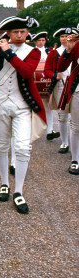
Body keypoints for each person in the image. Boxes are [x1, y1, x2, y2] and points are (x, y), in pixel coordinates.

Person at [0, 16, 46, 214]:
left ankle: (19, 191)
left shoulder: (32, 52)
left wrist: (8, 52)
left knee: (23, 147)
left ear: (27, 33)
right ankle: (4, 183)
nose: (19, 35)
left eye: (23, 32)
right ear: (7, 33)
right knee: (2, 145)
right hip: (0, 104)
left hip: (22, 105)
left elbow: (26, 72)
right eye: (15, 32)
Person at [44, 27, 78, 153]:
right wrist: (54, 75)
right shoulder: (54, 52)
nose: (66, 38)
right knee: (62, 116)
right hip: (61, 86)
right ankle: (64, 142)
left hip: (75, 85)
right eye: (63, 36)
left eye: (69, 36)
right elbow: (46, 70)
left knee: (76, 119)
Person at [56, 30, 79, 175]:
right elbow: (61, 67)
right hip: (78, 90)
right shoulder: (76, 45)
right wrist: (68, 50)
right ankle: (75, 159)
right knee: (76, 127)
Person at [31, 31, 59, 142]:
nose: (42, 42)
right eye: (39, 40)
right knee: (32, 108)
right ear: (35, 41)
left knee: (49, 107)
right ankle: (32, 131)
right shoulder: (31, 52)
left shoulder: (50, 52)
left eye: (43, 40)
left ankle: (50, 131)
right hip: (34, 84)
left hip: (47, 83)